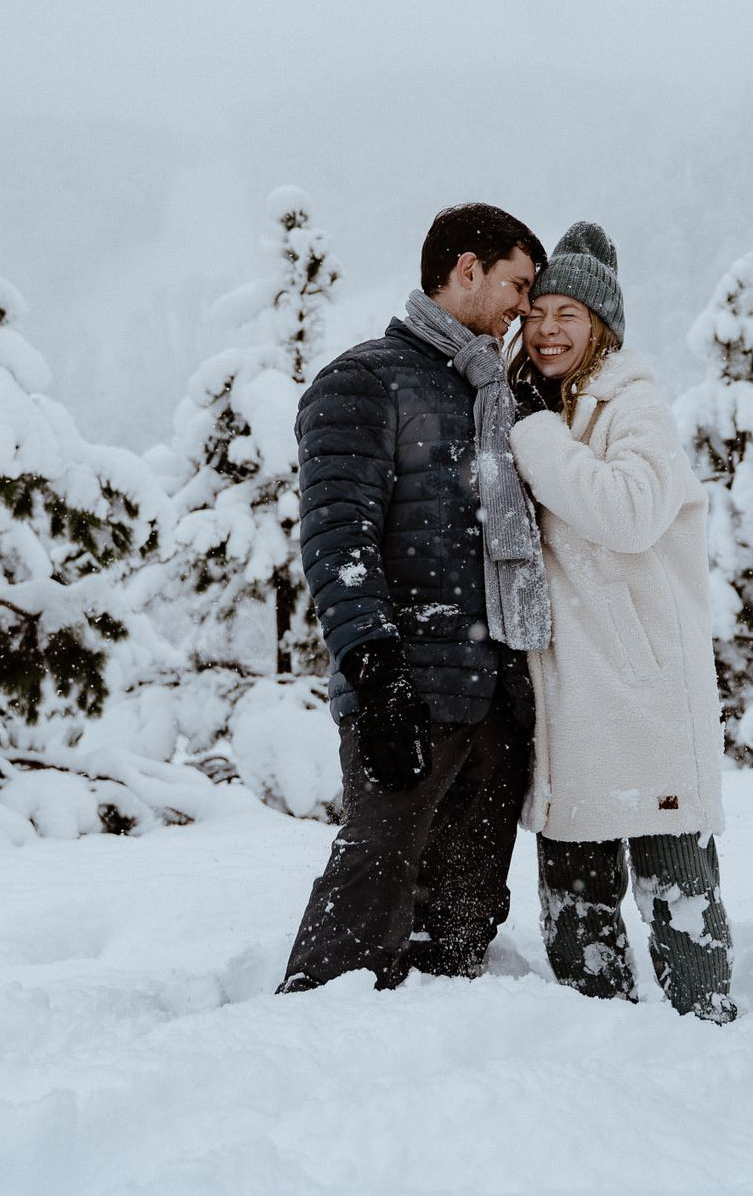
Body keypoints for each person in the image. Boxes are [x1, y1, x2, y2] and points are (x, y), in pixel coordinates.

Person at [278, 203, 549, 992]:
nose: (524, 310)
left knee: (460, 938)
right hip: (410, 691)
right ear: (467, 268)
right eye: (517, 284)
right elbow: (338, 540)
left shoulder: (497, 396)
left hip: (496, 697)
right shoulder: (362, 381)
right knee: (364, 910)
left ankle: (420, 1097)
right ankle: (294, 1049)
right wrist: (376, 671)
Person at [506, 222, 736, 1022]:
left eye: (567, 312)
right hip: (567, 690)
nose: (547, 329)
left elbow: (633, 511)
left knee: (678, 891)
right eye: (536, 312)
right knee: (576, 903)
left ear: (601, 325)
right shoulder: (537, 403)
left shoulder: (634, 403)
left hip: (642, 688)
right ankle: (600, 1059)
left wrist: (534, 432)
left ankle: (712, 1047)